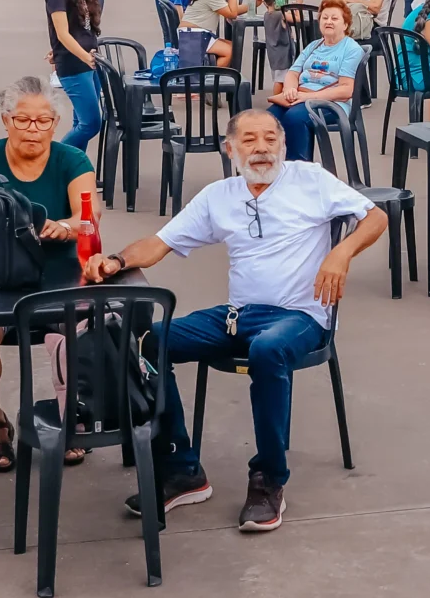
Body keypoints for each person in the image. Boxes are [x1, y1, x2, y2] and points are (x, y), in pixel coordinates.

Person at [84, 111, 384, 532]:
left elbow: (375, 217)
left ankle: (268, 480)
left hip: (301, 316)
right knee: (152, 342)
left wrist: (341, 252)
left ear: (283, 144)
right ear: (230, 149)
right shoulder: (218, 195)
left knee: (267, 350)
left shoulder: (310, 179)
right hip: (238, 316)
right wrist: (114, 260)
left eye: (270, 138)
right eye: (249, 140)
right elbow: (160, 242)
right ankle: (182, 468)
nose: (261, 148)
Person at [0, 79, 98, 471]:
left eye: (43, 121)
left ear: (55, 123)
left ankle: (70, 417)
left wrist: (66, 226)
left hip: (60, 273)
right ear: (6, 121)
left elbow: (89, 217)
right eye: (23, 120)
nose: (33, 129)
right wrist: (6, 225)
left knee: (83, 329)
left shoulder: (72, 160)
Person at [264, 0, 362, 162]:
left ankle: (301, 172)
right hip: (301, 97)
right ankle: (274, 168)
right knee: (267, 119)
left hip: (333, 103)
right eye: (325, 18)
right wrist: (290, 90)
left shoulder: (351, 49)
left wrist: (306, 98)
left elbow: (346, 90)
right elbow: (292, 73)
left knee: (295, 118)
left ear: (345, 25)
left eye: (334, 18)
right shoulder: (314, 45)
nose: (328, 22)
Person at [44, 0, 104, 154]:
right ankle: (54, 160)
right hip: (75, 64)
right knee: (92, 123)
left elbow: (81, 27)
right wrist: (84, 57)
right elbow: (62, 33)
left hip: (90, 60)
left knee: (81, 122)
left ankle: (76, 168)